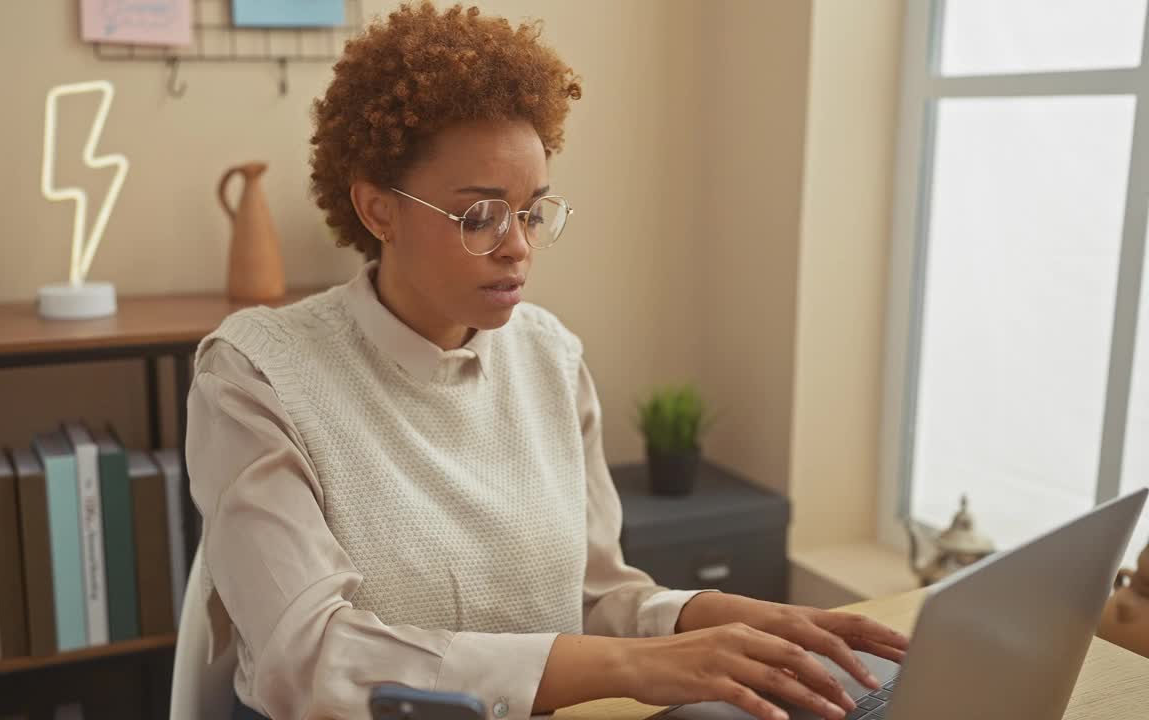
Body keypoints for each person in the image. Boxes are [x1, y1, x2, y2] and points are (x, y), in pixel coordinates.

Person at [185, 3, 909, 720]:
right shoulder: (256, 376)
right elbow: (309, 659)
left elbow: (591, 597)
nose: (519, 247)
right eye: (480, 216)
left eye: (531, 211)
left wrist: (713, 618)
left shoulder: (550, 358)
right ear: (378, 211)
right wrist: (636, 665)